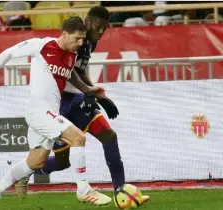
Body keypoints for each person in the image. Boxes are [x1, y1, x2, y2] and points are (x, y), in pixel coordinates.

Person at [14, 6, 150, 205]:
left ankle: (120, 190)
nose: (102, 31)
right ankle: (25, 171)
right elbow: (67, 72)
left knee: (109, 135)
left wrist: (96, 93)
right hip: (60, 105)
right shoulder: (76, 41)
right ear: (87, 22)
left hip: (76, 100)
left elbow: (80, 70)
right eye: (98, 26)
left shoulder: (89, 43)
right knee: (62, 163)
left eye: (105, 27)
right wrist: (87, 92)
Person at [0, 16, 111, 210]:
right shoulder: (42, 45)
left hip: (49, 112)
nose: (81, 43)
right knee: (78, 138)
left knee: (36, 161)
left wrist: (88, 90)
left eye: (83, 39)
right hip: (38, 109)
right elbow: (9, 52)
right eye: (77, 38)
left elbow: (71, 75)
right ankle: (83, 189)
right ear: (64, 34)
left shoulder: (72, 55)